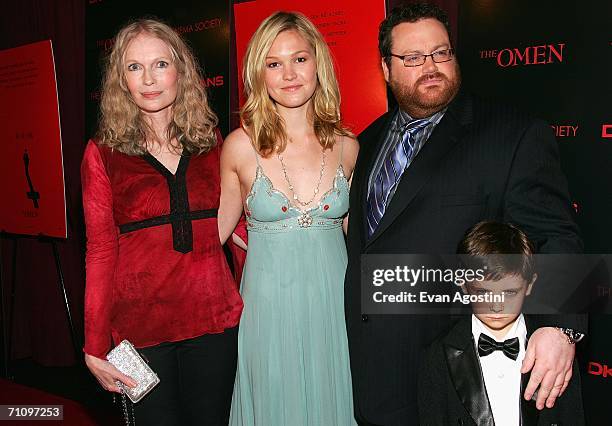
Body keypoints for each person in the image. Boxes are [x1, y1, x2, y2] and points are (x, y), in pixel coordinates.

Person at [344, 3, 584, 425]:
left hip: (452, 376)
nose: (431, 66)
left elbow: (556, 234)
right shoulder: (365, 142)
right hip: (365, 370)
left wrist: (560, 328)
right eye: (413, 58)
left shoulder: (512, 134)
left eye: (441, 53)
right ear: (386, 68)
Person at [81, 18, 243, 425]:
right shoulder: (102, 153)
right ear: (121, 79)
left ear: (181, 71)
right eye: (134, 67)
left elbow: (236, 224)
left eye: (160, 64)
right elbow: (100, 251)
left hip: (214, 324)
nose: (149, 79)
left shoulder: (211, 142)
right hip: (138, 334)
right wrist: (94, 345)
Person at [218, 11, 359, 426]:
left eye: (299, 59)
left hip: (334, 307)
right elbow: (212, 236)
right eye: (273, 63)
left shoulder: (349, 147)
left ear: (318, 63)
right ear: (259, 74)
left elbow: (364, 238)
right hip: (268, 310)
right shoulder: (239, 147)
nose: (289, 74)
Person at [418, 222, 585, 426]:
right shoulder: (438, 355)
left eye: (509, 293)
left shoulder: (556, 352)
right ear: (463, 284)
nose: (497, 307)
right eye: (483, 292)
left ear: (530, 285)